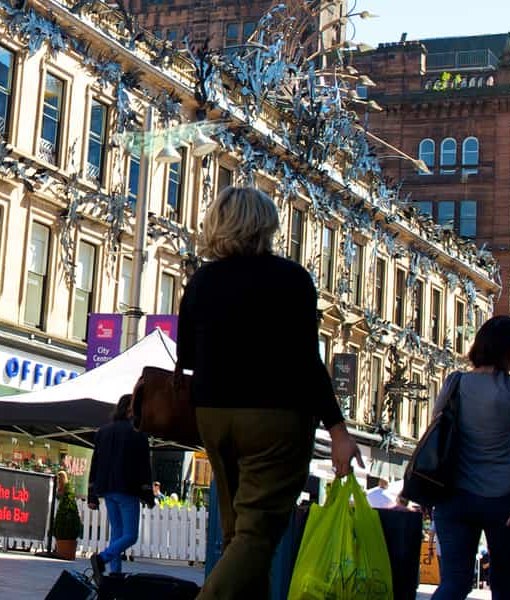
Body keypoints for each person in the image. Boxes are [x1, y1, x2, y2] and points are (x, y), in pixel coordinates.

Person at [177, 187, 364, 600]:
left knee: (238, 537)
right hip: (274, 419)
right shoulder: (290, 280)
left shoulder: (201, 280)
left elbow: (187, 353)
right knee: (257, 534)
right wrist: (337, 430)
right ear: (266, 225)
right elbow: (306, 360)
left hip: (212, 414)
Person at [427, 314, 510, 600]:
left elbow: (436, 425)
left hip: (453, 495)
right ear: (509, 348)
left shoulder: (456, 382)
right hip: (504, 501)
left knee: (454, 582)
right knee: (504, 587)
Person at [87, 394, 155, 584]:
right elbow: (143, 467)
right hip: (127, 489)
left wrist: (92, 494)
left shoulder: (103, 432)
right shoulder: (138, 433)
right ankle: (102, 559)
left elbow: (96, 463)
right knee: (130, 535)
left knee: (117, 533)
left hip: (107, 488)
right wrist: (147, 494)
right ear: (130, 410)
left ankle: (115, 574)